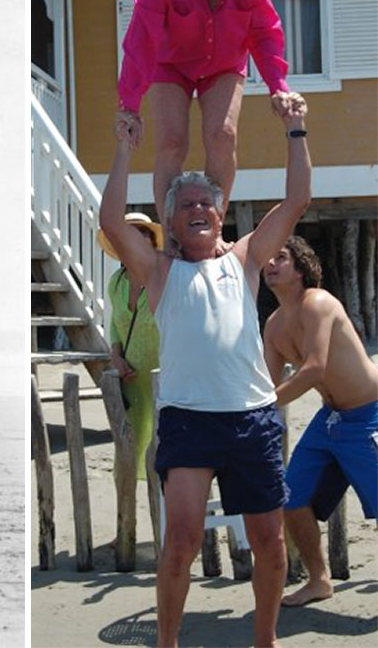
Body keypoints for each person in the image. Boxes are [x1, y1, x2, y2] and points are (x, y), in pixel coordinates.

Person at [100, 92, 311, 647]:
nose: (196, 208)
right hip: (190, 422)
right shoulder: (158, 271)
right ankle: (167, 643)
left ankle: (263, 640)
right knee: (181, 542)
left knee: (269, 541)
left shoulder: (244, 260)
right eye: (185, 203)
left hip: (252, 420)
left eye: (206, 203)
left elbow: (296, 199)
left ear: (221, 213)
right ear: (169, 218)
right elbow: (110, 221)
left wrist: (295, 130)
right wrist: (124, 149)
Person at [115, 0, 291, 222]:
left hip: (223, 65)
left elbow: (265, 31)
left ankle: (212, 228)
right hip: (172, 65)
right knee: (171, 142)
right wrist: (129, 106)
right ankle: (171, 231)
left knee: (221, 135)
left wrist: (277, 86)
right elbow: (140, 42)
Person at [262, 235, 378, 607]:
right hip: (330, 421)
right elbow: (267, 383)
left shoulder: (319, 303)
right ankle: (319, 580)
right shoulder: (274, 325)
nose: (270, 264)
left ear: (300, 269)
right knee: (292, 499)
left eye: (280, 258)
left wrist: (260, 407)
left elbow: (313, 369)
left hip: (369, 414)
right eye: (267, 258)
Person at [98, 213, 162, 481]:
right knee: (129, 450)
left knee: (163, 450)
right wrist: (116, 356)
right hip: (131, 378)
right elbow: (115, 323)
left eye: (142, 233)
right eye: (129, 233)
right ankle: (128, 519)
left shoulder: (164, 277)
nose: (136, 238)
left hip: (164, 377)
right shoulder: (117, 282)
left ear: (151, 240)